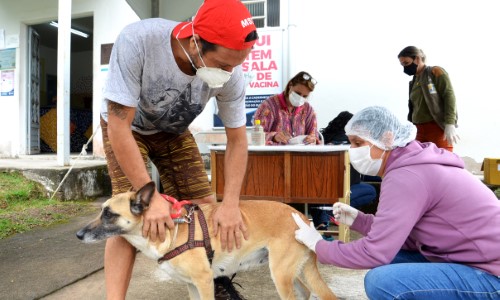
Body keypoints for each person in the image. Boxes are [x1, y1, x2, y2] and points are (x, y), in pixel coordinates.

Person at [100, 0, 258, 299]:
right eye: (223, 65)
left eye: (236, 65)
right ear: (196, 41)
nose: (230, 73)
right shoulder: (140, 40)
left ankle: (215, 282)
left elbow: (237, 140)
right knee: (129, 213)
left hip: (173, 132)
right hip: (126, 129)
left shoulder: (232, 75)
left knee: (208, 211)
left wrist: (232, 203)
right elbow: (119, 127)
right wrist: (152, 195)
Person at [292, 106, 500, 299]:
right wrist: (359, 220)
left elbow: (375, 252)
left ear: (387, 138)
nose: (351, 150)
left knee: (382, 282)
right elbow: (404, 236)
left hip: (490, 273)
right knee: (392, 259)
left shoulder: (406, 176)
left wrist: (319, 246)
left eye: (358, 143)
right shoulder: (413, 163)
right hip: (465, 257)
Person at [310, 111, 377, 232]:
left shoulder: (324, 137)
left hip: (322, 186)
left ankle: (329, 212)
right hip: (344, 186)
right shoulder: (352, 142)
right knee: (370, 191)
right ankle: (334, 211)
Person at [398, 46, 459, 152]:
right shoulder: (413, 82)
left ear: (417, 59)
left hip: (436, 127)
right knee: (419, 161)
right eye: (402, 65)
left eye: (406, 63)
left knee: (443, 160)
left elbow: (449, 96)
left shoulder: (435, 72)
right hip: (418, 130)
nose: (405, 67)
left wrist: (450, 123)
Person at [252, 71, 320, 145]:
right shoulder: (269, 106)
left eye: (305, 96)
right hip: (273, 155)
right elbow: (256, 135)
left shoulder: (308, 110)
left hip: (299, 155)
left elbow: (314, 135)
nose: (300, 98)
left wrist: (312, 139)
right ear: (290, 85)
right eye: (297, 93)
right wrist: (274, 136)